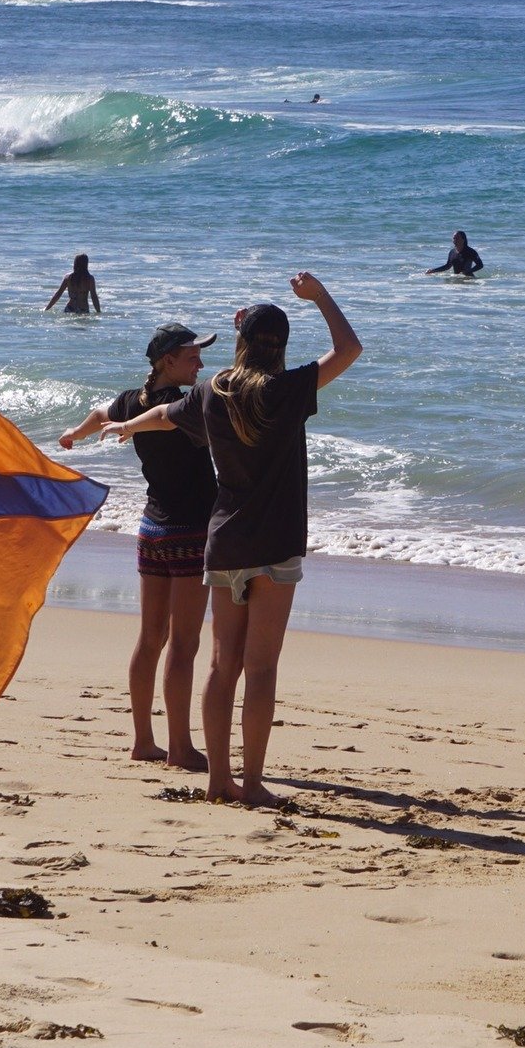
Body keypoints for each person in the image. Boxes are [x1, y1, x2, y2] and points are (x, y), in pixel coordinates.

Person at [103, 273, 363, 805]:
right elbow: (349, 348)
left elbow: (165, 416)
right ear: (281, 347)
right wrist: (319, 298)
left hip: (223, 542)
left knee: (223, 665)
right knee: (260, 668)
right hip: (275, 544)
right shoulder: (287, 391)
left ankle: (218, 779)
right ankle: (251, 784)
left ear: (241, 343)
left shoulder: (212, 391)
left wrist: (129, 427)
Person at [60, 323, 219, 767]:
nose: (200, 364)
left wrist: (76, 432)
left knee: (150, 639)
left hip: (151, 530)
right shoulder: (184, 404)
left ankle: (144, 742)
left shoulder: (133, 399)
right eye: (192, 356)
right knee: (183, 645)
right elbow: (164, 419)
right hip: (189, 532)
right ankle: (181, 747)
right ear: (167, 360)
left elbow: (98, 411)